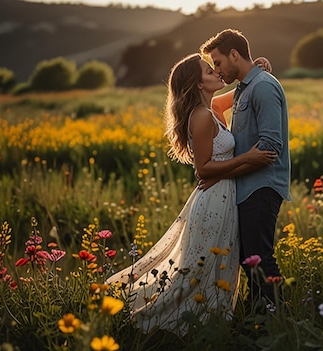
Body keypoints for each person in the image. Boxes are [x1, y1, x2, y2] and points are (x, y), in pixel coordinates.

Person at [104, 53, 277, 335]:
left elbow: (235, 95)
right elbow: (204, 170)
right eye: (210, 71)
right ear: (198, 84)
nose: (217, 73)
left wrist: (254, 72)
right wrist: (249, 159)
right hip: (213, 201)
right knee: (198, 271)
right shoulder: (201, 116)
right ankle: (165, 324)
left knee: (213, 268)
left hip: (223, 197)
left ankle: (208, 323)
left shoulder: (211, 109)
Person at [200, 29, 291, 305]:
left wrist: (223, 171)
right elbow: (214, 104)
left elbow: (270, 147)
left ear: (234, 55)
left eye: (217, 62)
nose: (216, 69)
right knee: (249, 257)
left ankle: (274, 319)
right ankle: (260, 315)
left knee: (259, 256)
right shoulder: (245, 87)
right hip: (247, 185)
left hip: (262, 185)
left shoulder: (262, 86)